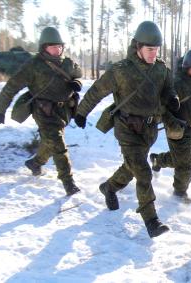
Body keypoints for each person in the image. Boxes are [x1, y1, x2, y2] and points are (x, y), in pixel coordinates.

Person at [74, 21, 179, 238]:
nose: (153, 54)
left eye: (156, 50)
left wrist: (173, 98)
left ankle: (110, 187)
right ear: (138, 47)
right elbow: (96, 91)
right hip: (127, 128)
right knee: (142, 171)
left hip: (149, 129)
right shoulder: (121, 71)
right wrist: (81, 112)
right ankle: (151, 220)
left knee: (132, 165)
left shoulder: (161, 70)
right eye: (150, 49)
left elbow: (168, 90)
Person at [0, 27, 82, 196]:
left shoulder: (68, 63)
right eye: (53, 46)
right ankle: (68, 182)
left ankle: (35, 163)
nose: (58, 50)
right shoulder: (33, 66)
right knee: (58, 144)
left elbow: (78, 73)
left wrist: (77, 82)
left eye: (60, 46)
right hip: (43, 111)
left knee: (50, 142)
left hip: (64, 110)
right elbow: (12, 86)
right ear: (44, 47)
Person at [149, 49, 191, 204]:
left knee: (178, 159)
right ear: (187, 66)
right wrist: (172, 123)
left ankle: (157, 160)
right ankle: (179, 192)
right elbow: (162, 107)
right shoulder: (177, 83)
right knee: (185, 163)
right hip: (177, 130)